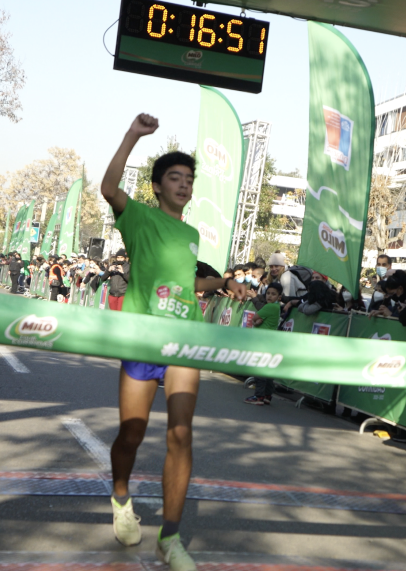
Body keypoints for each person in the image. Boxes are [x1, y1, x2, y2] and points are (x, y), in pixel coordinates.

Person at [100, 113, 247, 568]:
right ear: (158, 186)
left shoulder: (189, 234)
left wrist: (222, 283)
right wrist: (132, 136)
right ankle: (121, 498)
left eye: (189, 179)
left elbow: (183, 286)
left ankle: (170, 537)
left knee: (181, 435)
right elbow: (108, 188)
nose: (183, 185)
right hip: (144, 338)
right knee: (133, 432)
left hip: (183, 340)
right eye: (174, 178)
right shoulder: (139, 218)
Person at [244, 282, 284, 405]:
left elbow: (254, 318)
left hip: (263, 342)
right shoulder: (275, 307)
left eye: (273, 294)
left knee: (260, 371)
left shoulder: (270, 307)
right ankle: (267, 395)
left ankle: (259, 396)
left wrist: (256, 322)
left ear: (279, 297)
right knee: (268, 371)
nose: (269, 296)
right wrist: (257, 321)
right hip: (270, 343)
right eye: (268, 293)